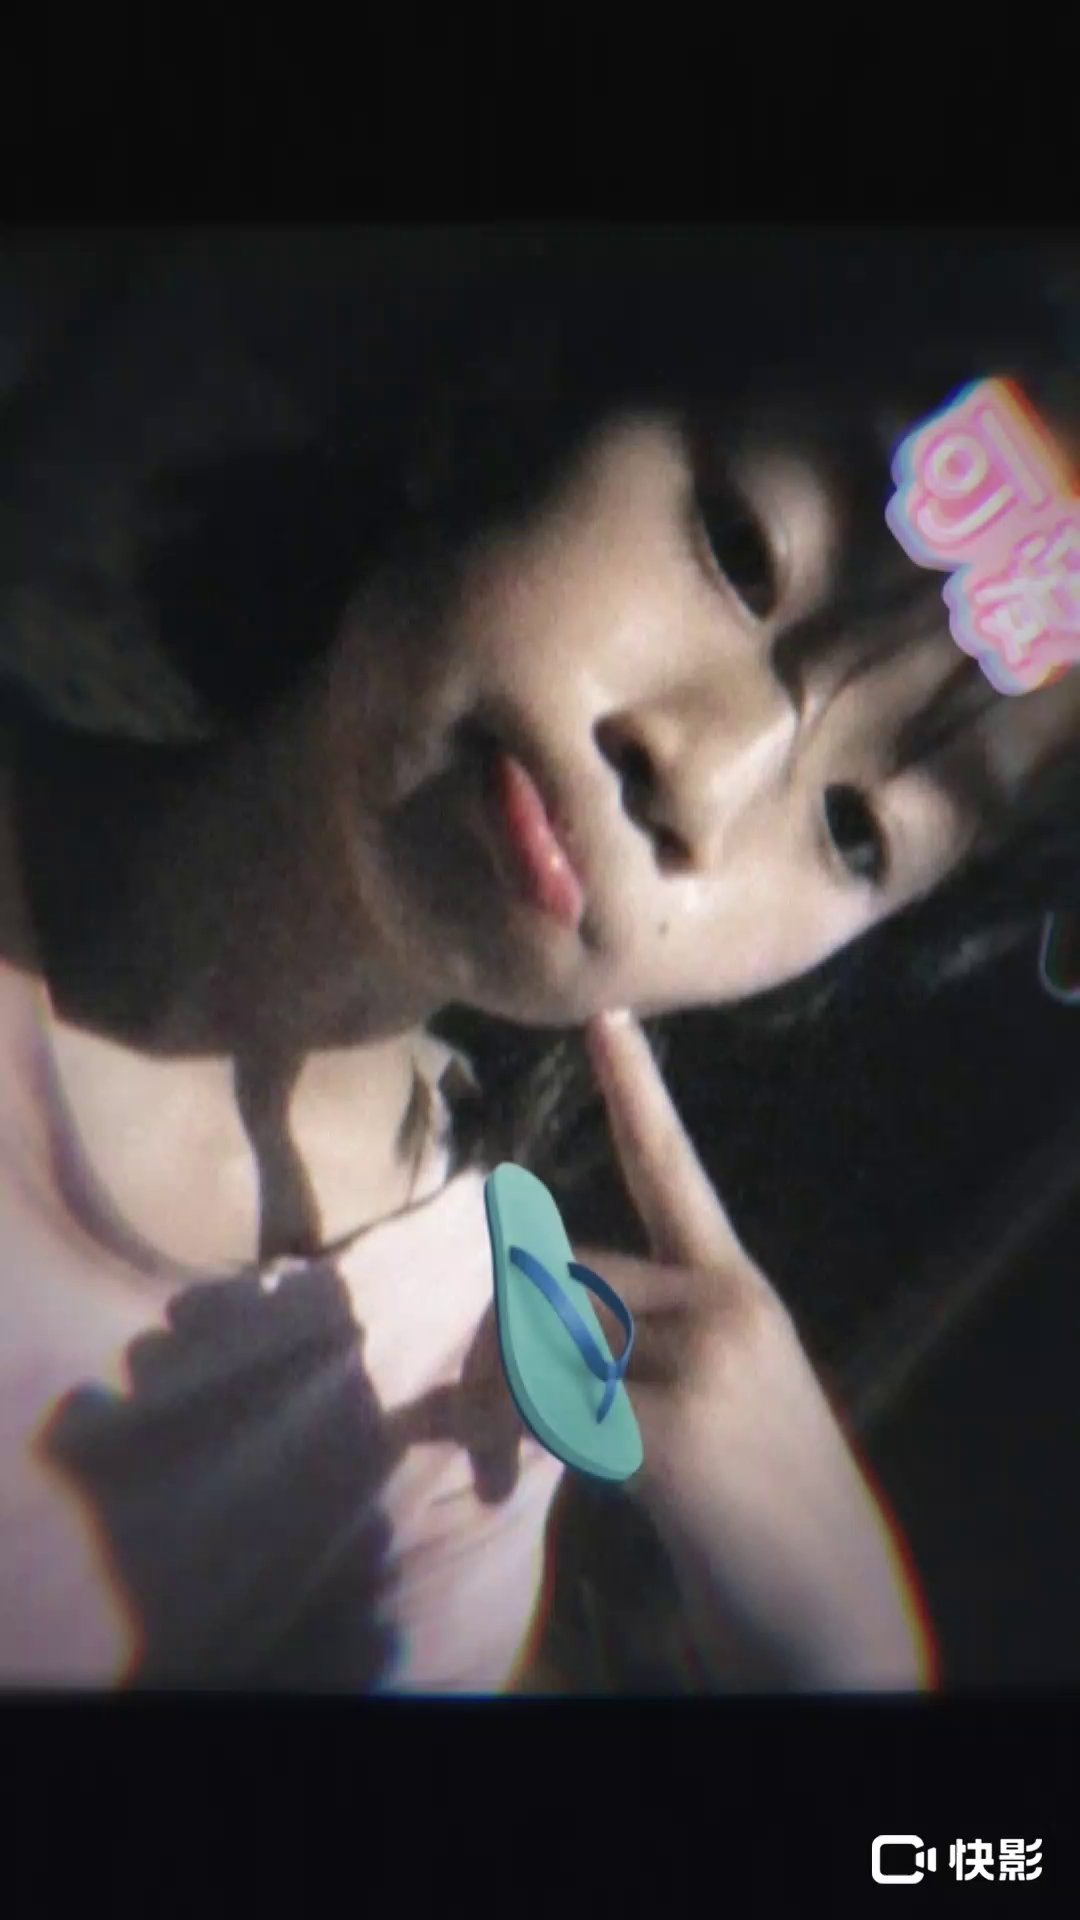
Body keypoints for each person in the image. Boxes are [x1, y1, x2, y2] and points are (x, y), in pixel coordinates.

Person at [1, 230, 1078, 1692]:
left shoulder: (442, 1444)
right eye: (742, 552)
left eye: (855, 831)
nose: (702, 781)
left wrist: (846, 1675)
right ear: (511, 407)